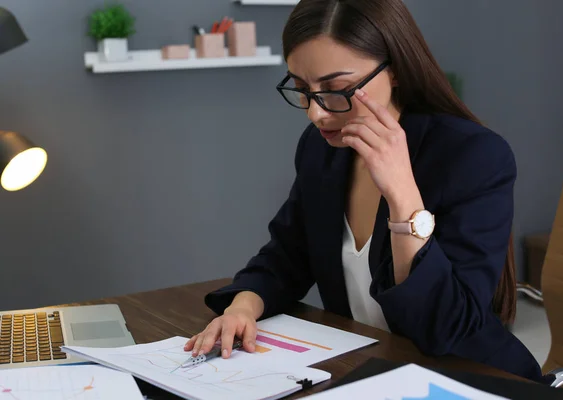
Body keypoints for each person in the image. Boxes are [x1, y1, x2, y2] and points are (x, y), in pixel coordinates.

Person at [184, 0, 544, 382]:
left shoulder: (473, 156)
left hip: (469, 377)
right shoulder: (320, 148)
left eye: (336, 88)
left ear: (396, 71)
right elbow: (285, 257)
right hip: (371, 371)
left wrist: (403, 195)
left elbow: (448, 328)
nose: (316, 113)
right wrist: (242, 308)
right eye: (303, 88)